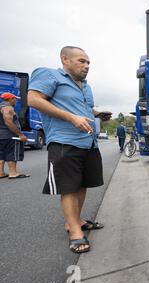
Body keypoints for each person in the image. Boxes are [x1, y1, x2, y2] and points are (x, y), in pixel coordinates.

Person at [28, 46, 112, 254]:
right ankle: (75, 231)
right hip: (64, 142)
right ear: (65, 59)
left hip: (88, 142)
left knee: (83, 185)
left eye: (88, 62)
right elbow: (34, 99)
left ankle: (77, 220)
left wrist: (97, 114)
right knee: (69, 187)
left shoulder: (86, 86)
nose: (86, 66)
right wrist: (71, 117)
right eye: (81, 61)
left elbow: (84, 108)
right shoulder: (49, 74)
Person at [0, 92, 30, 180]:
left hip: (1, 136)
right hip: (10, 136)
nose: (16, 101)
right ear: (10, 99)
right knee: (12, 153)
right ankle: (13, 173)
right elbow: (8, 121)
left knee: (1, 154)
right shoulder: (7, 108)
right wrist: (20, 135)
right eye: (15, 99)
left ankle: (1, 172)